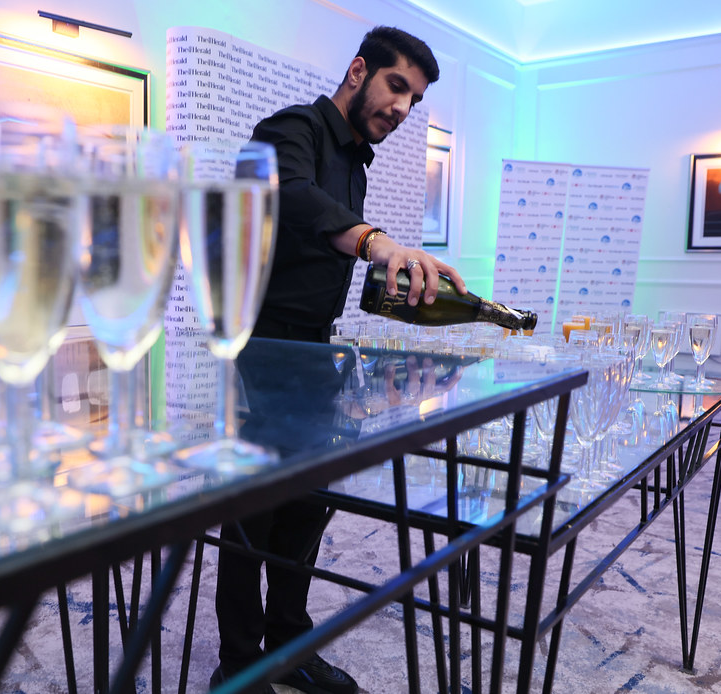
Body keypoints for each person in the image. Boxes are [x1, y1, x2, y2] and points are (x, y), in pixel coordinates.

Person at [210, 25, 466, 694]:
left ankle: (288, 644)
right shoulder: (288, 130)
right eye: (396, 87)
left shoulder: (356, 161)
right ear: (358, 71)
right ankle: (237, 666)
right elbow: (293, 197)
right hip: (258, 347)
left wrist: (412, 283)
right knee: (252, 514)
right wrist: (380, 243)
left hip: (314, 350)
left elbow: (326, 252)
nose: (402, 109)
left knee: (307, 505)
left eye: (414, 99)